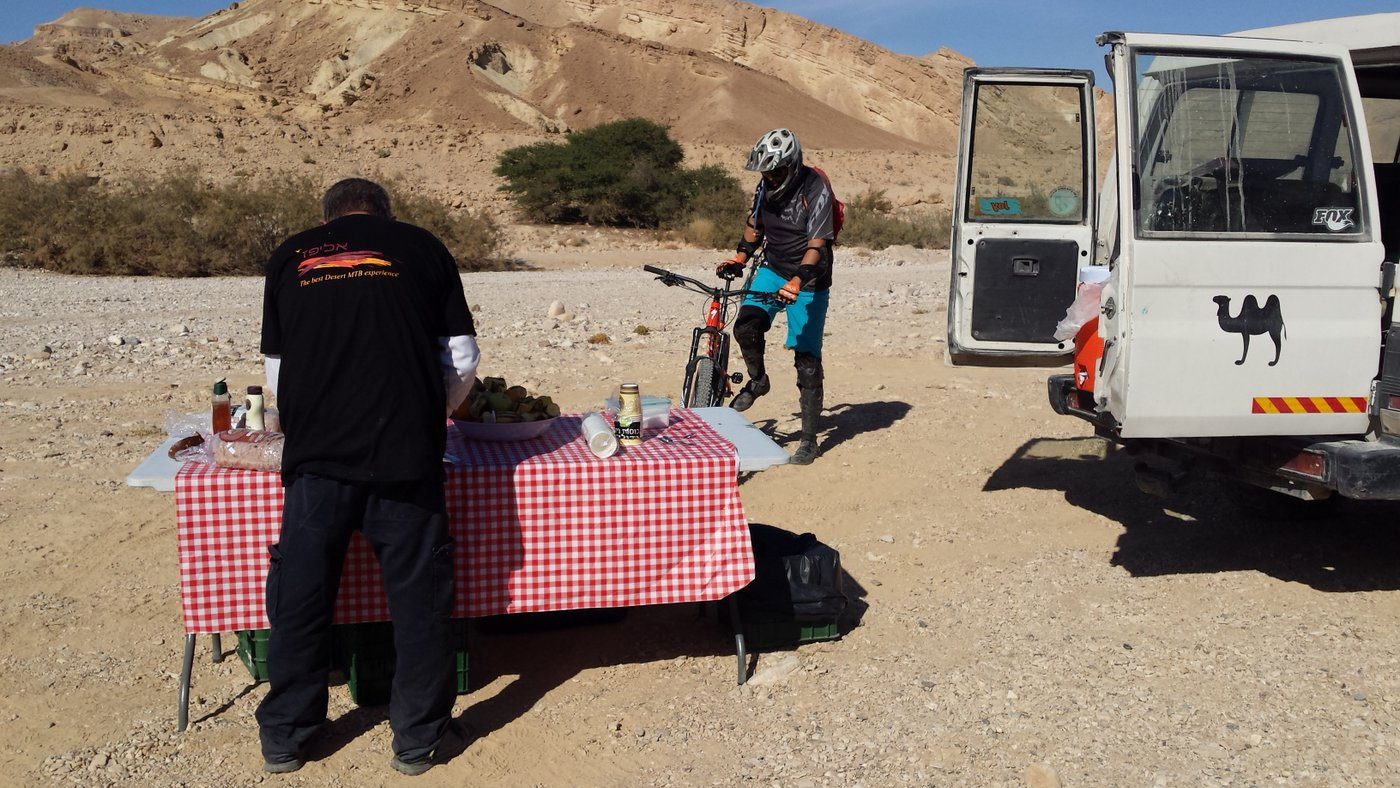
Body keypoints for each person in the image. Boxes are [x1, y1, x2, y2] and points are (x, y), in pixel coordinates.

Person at [256, 178, 480, 776]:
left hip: (316, 462)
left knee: (301, 598)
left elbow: (276, 369)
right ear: (387, 215)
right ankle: (419, 739)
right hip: (405, 459)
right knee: (419, 602)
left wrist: (308, 422)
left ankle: (286, 736)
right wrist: (427, 414)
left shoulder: (290, 255)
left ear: (326, 220)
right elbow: (460, 356)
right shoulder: (422, 246)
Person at [717, 128, 834, 465]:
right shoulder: (765, 186)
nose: (770, 177)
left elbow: (817, 245)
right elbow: (755, 225)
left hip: (809, 277)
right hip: (773, 268)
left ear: (792, 165)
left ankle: (809, 441)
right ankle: (758, 381)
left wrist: (797, 280)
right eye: (765, 171)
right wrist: (740, 258)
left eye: (775, 171)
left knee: (807, 362)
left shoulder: (815, 188)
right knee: (746, 327)